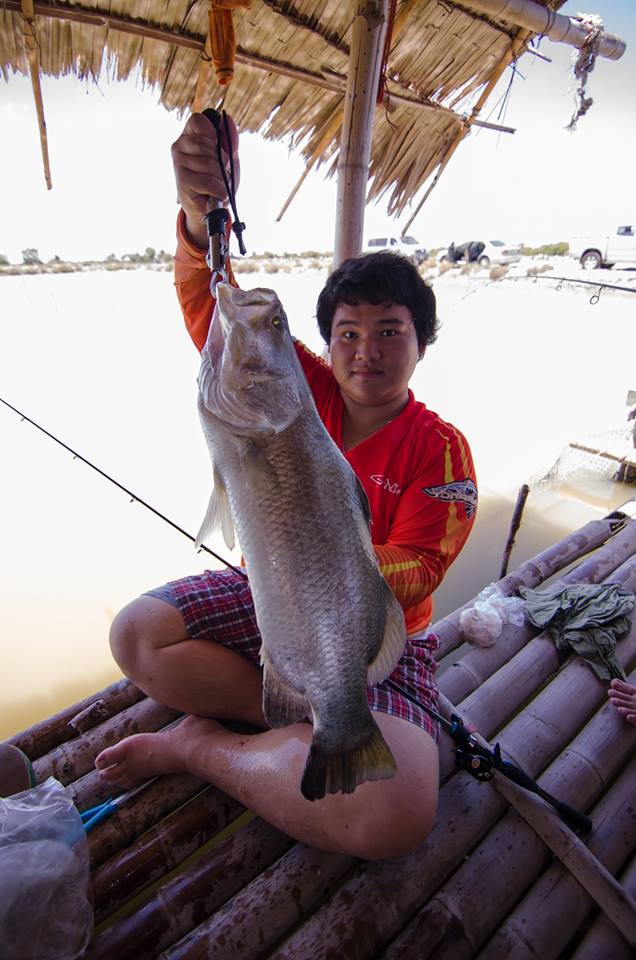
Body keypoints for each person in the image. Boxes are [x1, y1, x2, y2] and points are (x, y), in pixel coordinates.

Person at [95, 114, 477, 859]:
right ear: (327, 341)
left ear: (421, 342)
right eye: (348, 333)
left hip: (373, 637)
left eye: (390, 332)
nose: (366, 352)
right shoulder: (298, 388)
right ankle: (285, 711)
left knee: (394, 821)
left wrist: (338, 566)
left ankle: (205, 745)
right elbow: (215, 311)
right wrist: (202, 221)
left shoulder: (443, 452)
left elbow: (424, 568)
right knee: (137, 636)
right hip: (270, 591)